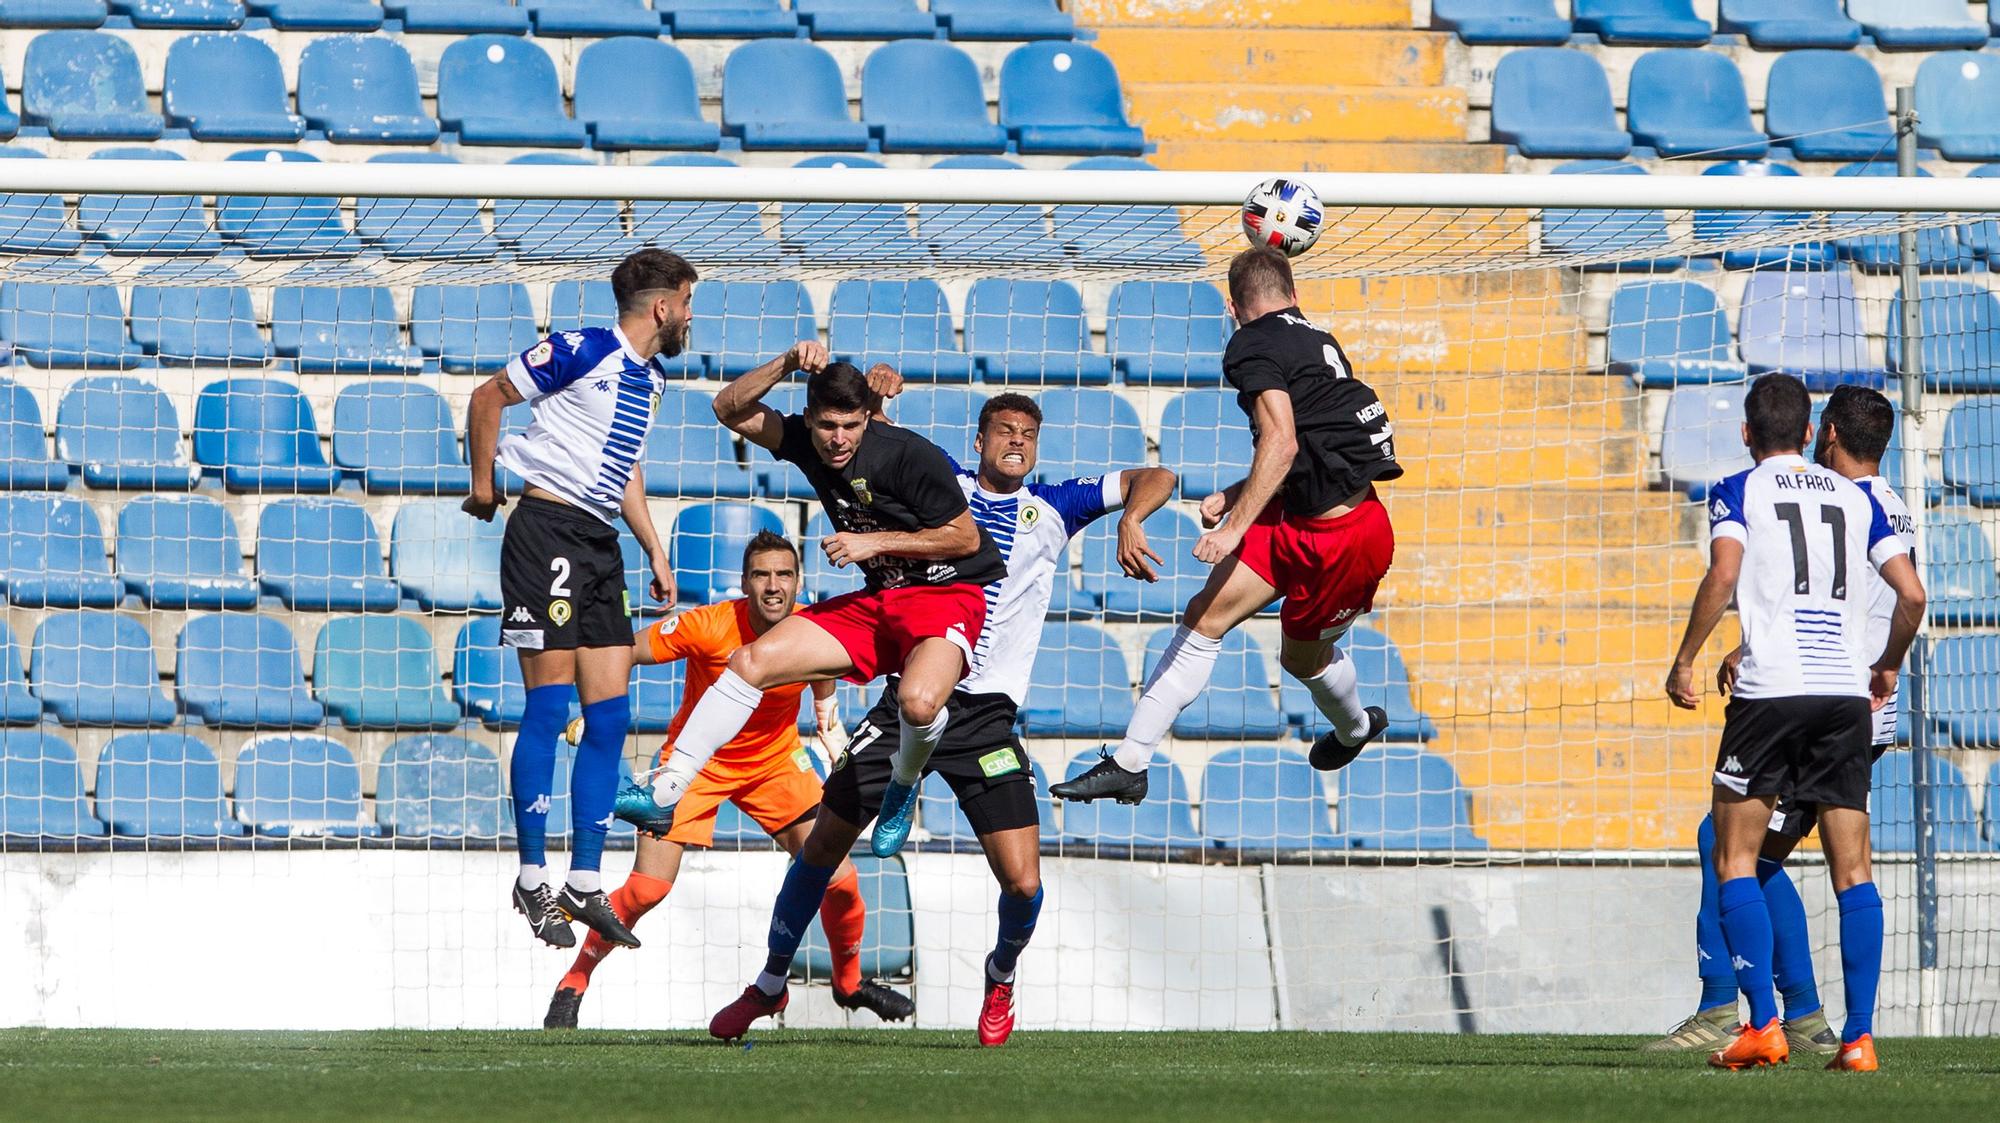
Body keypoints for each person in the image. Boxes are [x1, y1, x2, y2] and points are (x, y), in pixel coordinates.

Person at [706, 389, 1178, 1045]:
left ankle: (1001, 973)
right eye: (1005, 430)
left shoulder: (1055, 507)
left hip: (983, 717)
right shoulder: (944, 484)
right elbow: (868, 438)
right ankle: (767, 983)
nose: (1017, 441)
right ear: (980, 439)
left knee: (1022, 877)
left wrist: (1132, 517)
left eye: (1029, 434)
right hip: (908, 696)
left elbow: (1157, 476)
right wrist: (872, 394)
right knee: (821, 846)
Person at [1053, 245, 1402, 806]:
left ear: (1235, 310)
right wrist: (1241, 495)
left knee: (1299, 661)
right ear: (1293, 296)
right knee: (1203, 619)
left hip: (1345, 540)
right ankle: (1129, 760)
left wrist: (1233, 526)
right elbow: (1314, 446)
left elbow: (1284, 441)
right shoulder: (1317, 337)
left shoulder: (1250, 344)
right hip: (1298, 514)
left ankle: (1356, 726)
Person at [540, 531, 915, 1030]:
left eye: (784, 575)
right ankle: (575, 981)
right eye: (762, 575)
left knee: (843, 882)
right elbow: (625, 650)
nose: (774, 586)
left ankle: (848, 985)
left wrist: (826, 721)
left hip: (776, 762)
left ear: (798, 580)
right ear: (745, 582)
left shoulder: (812, 623)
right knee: (647, 889)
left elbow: (824, 664)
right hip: (696, 765)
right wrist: (596, 711)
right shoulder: (709, 623)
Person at [1664, 374, 1925, 1072]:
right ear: (1810, 433)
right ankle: (1857, 1036)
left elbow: (1730, 576)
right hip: (1850, 700)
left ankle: (1768, 1015)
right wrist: (1888, 666)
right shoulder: (1867, 501)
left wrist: (1690, 657)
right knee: (1853, 869)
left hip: (1779, 692)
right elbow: (1905, 595)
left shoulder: (1743, 489)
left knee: (1734, 851)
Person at [463, 248, 693, 948]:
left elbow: (621, 471)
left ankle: (585, 880)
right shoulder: (583, 349)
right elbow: (487, 396)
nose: (690, 317)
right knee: (549, 705)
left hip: (599, 544)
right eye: (687, 303)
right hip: (547, 531)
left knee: (612, 712)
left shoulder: (649, 380)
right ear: (662, 307)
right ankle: (532, 875)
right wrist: (483, 483)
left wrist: (652, 545)